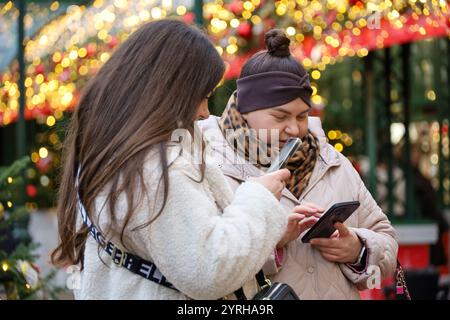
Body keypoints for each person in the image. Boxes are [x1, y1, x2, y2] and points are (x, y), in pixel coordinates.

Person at [50, 20, 297, 300]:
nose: (205, 112)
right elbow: (208, 270)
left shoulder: (113, 147)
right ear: (171, 91)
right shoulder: (158, 167)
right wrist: (259, 198)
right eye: (202, 97)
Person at [199, 29, 398, 299]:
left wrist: (358, 249)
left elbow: (385, 237)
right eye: (279, 116)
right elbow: (203, 265)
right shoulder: (208, 163)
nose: (293, 128)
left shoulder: (332, 161)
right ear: (244, 111)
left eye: (302, 116)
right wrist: (272, 241)